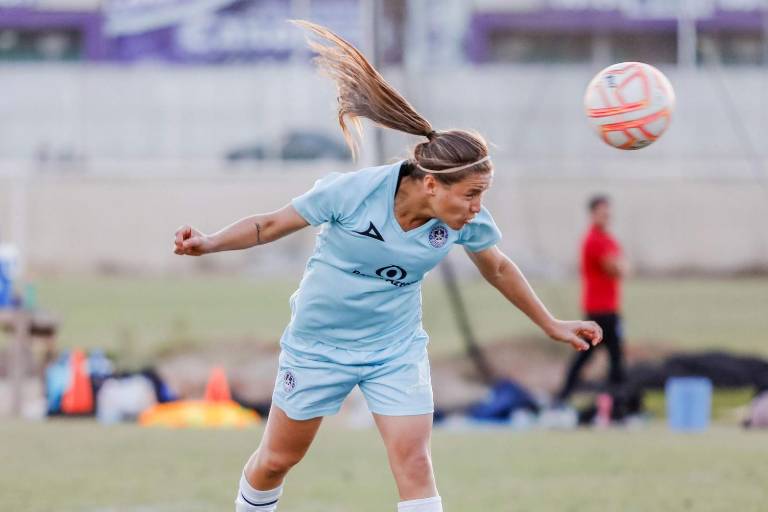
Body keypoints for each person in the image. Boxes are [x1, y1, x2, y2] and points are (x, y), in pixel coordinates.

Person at [174, 20, 603, 512]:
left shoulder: (463, 220)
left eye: (481, 196)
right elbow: (269, 225)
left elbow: (499, 268)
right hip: (318, 346)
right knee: (277, 459)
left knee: (414, 463)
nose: (477, 207)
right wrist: (207, 243)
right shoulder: (352, 192)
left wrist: (551, 323)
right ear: (431, 185)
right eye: (471, 194)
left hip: (393, 350)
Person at [556, 195, 628, 404]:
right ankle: (565, 396)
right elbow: (614, 267)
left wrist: (620, 266)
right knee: (590, 355)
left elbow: (624, 268)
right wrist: (619, 265)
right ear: (593, 214)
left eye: (608, 212)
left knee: (612, 357)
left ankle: (616, 401)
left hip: (611, 309)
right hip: (598, 310)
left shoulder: (609, 240)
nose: (606, 216)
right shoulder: (593, 240)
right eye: (601, 212)